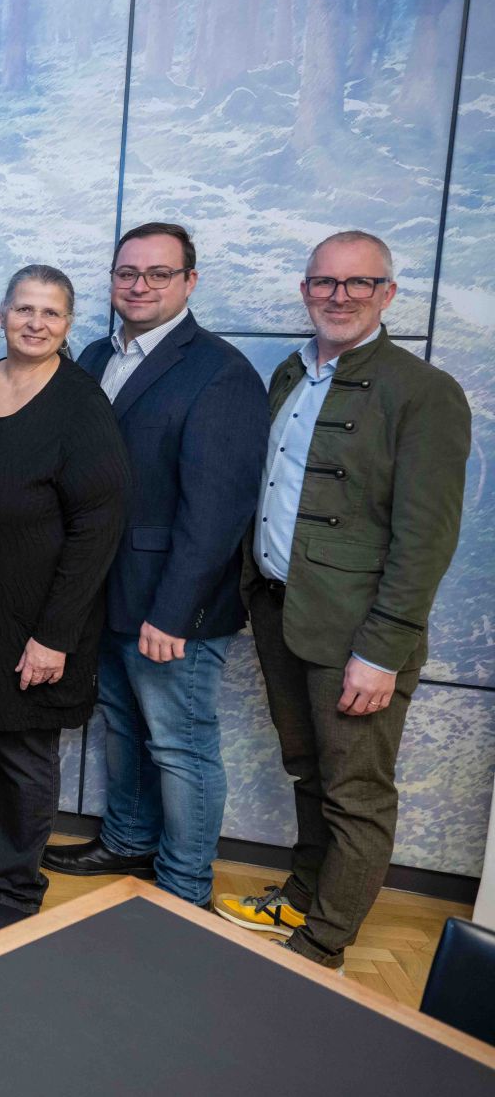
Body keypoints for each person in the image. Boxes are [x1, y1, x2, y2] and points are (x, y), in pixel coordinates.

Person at [217, 231, 469, 969]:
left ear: (388, 294)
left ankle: (322, 943)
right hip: (280, 611)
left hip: (357, 632)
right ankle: (300, 893)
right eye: (325, 282)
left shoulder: (423, 392)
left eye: (359, 284)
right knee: (309, 770)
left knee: (355, 791)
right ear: (306, 290)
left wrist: (382, 650)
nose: (339, 295)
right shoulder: (290, 374)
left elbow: (425, 540)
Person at [43, 222, 266, 908]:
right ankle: (129, 838)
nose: (139, 285)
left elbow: (217, 511)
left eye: (158, 273)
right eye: (126, 272)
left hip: (173, 606)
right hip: (106, 591)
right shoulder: (92, 353)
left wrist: (176, 612)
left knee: (181, 744)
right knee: (125, 724)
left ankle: (184, 883)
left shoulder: (220, 372)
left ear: (189, 282)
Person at [0, 265, 128, 942]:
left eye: (52, 313)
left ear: (69, 325)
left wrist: (55, 634)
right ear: (3, 312)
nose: (36, 322)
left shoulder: (80, 402)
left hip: (38, 616)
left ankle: (17, 885)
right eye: (24, 309)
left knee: (20, 752)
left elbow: (99, 525)